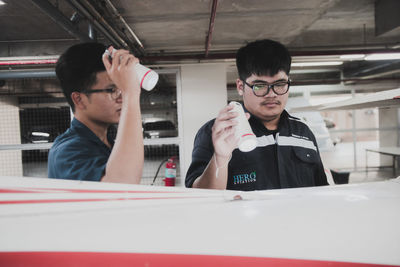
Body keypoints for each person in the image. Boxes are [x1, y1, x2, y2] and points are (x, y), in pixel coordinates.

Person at [185, 39, 328, 190]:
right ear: (241, 86)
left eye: (279, 85)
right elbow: (201, 196)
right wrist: (220, 158)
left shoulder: (303, 132)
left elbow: (321, 189)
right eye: (260, 86)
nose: (271, 94)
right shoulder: (219, 133)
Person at [48, 42, 144, 183]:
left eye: (122, 88)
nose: (121, 97)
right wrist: (131, 93)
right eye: (112, 90)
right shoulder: (67, 152)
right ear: (79, 99)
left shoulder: (107, 144)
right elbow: (121, 186)